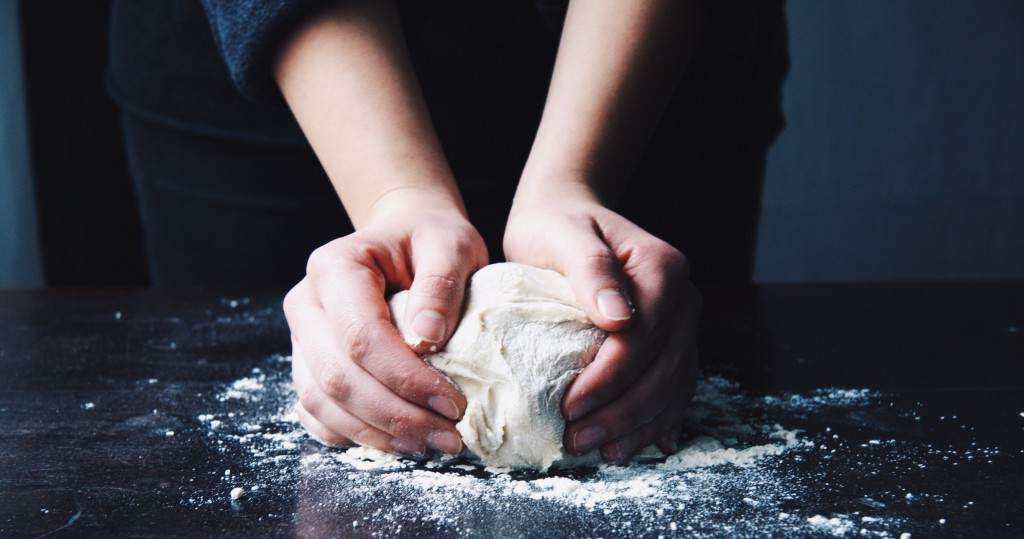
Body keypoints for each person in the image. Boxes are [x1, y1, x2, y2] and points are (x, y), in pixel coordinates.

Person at [107, 0, 788, 464]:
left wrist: (573, 177)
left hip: (641, 66)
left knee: (651, 381)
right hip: (297, 70)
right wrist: (392, 193)